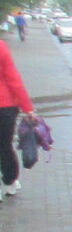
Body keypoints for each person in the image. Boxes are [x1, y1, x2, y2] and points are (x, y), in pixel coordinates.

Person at [0, 36, 34, 201]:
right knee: (4, 146)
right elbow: (14, 81)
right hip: (4, 106)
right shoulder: (1, 47)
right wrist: (28, 108)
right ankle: (9, 182)